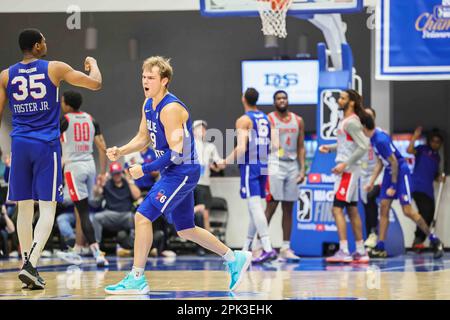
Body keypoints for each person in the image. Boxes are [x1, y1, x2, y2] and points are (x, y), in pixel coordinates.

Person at [104, 56, 251, 294]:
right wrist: (121, 150)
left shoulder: (171, 109)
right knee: (185, 229)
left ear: (164, 81)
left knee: (142, 216)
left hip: (183, 170)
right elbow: (143, 138)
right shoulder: (148, 103)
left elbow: (176, 153)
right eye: (143, 77)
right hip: (173, 170)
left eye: (151, 77)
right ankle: (234, 258)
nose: (145, 81)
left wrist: (145, 168)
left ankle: (137, 277)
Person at [0, 28, 102, 289]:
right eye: (43, 40)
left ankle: (28, 266)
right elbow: (96, 83)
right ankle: (31, 263)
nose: (46, 43)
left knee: (24, 208)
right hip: (46, 145)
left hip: (20, 144)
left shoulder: (5, 75)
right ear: (35, 46)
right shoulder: (54, 68)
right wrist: (94, 64)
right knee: (47, 208)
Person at [361, 118, 444, 259]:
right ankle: (380, 247)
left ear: (364, 126)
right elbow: (382, 162)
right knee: (384, 207)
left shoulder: (380, 139)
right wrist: (372, 181)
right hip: (389, 172)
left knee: (408, 211)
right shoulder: (373, 139)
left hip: (400, 171)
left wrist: (393, 186)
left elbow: (394, 162)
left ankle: (434, 240)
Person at [220, 88, 276, 264]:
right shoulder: (267, 119)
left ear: (243, 99)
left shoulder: (244, 120)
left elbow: (242, 148)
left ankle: (267, 247)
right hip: (263, 164)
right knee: (255, 208)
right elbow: (275, 145)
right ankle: (246, 248)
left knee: (254, 207)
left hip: (250, 166)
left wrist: (225, 161)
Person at [319, 90, 370, 263]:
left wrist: (344, 164)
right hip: (348, 170)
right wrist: (331, 147)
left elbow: (364, 146)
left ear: (351, 102)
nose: (339, 100)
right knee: (352, 210)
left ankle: (344, 250)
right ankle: (361, 251)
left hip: (347, 172)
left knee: (336, 209)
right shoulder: (346, 121)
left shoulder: (352, 122)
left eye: (342, 98)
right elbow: (346, 144)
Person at [60, 90, 108, 267]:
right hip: (90, 166)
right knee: (82, 209)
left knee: (82, 212)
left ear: (67, 104)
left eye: (62, 101)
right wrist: (103, 173)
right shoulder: (90, 118)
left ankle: (96, 251)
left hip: (74, 168)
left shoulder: (64, 120)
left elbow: (53, 145)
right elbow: (102, 147)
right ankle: (78, 247)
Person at [264, 90, 305, 262]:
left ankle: (286, 247)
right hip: (275, 163)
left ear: (288, 100)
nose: (282, 100)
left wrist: (302, 169)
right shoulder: (269, 119)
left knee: (289, 208)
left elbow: (301, 146)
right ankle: (261, 247)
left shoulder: (298, 120)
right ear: (274, 102)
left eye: (284, 98)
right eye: (278, 98)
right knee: (272, 205)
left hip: (292, 165)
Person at [407, 127, 444, 251]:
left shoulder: (437, 157)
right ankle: (418, 240)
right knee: (425, 213)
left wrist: (438, 178)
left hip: (429, 190)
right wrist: (415, 136)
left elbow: (433, 174)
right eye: (433, 141)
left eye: (438, 142)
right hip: (418, 186)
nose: (435, 144)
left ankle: (418, 241)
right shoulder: (422, 149)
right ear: (429, 141)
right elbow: (409, 150)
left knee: (429, 215)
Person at [91, 162, 141, 245]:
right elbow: (96, 195)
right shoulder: (107, 184)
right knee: (96, 218)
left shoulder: (127, 183)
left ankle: (135, 246)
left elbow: (137, 196)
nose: (117, 176)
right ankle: (97, 245)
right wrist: (99, 185)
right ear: (111, 174)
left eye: (118, 173)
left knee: (135, 217)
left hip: (126, 214)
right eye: (114, 174)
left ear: (121, 173)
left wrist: (129, 180)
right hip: (110, 214)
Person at [193, 119, 225, 232]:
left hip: (204, 184)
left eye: (204, 128)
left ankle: (207, 245)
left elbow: (219, 164)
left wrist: (218, 165)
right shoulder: (188, 146)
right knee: (193, 213)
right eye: (199, 128)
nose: (202, 130)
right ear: (193, 131)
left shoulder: (210, 147)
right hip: (190, 184)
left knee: (205, 213)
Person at [359, 107, 381, 250]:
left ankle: (375, 234)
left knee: (371, 196)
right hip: (363, 174)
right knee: (367, 204)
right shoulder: (358, 134)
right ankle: (369, 238)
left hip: (379, 172)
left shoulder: (379, 134)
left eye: (370, 116)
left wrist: (374, 179)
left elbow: (383, 160)